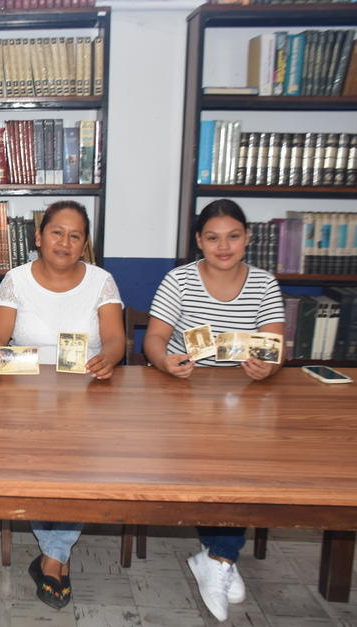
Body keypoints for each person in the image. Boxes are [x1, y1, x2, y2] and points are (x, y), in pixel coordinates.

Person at [143, 198, 284, 623]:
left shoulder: (264, 284)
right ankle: (222, 557)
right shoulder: (179, 281)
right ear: (199, 241)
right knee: (212, 459)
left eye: (233, 236)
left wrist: (266, 367)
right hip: (182, 398)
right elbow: (154, 339)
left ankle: (219, 557)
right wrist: (165, 361)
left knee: (243, 461)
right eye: (213, 238)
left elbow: (275, 347)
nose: (224, 247)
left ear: (248, 238)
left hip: (244, 398)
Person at [0, 200, 124, 609]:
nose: (65, 241)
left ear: (84, 244)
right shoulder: (16, 279)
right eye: (56, 232)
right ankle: (57, 555)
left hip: (86, 397)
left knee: (78, 465)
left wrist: (109, 358)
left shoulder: (101, 281)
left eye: (75, 235)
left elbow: (115, 339)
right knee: (32, 462)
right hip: (23, 398)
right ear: (39, 237)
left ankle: (53, 554)